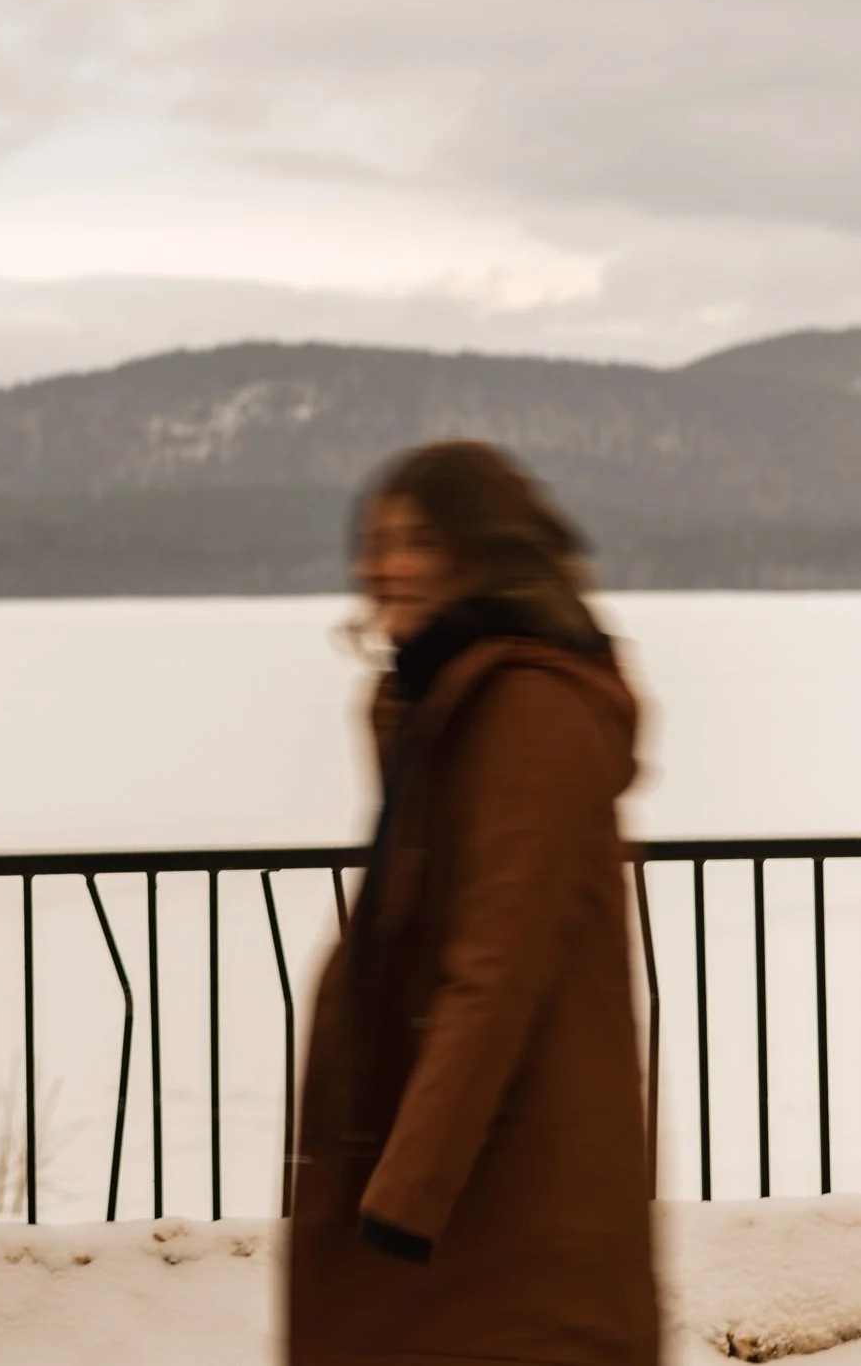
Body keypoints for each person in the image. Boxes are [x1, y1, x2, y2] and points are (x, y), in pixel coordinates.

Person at [285, 439, 657, 1366]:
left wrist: (407, 1186)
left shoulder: (528, 707)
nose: (382, 564)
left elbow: (497, 964)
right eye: (373, 538)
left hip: (506, 1194)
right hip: (462, 1187)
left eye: (413, 538)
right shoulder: (441, 700)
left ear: (479, 551)